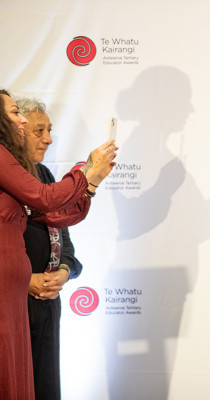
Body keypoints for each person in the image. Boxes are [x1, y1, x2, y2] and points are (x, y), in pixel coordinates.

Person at [0, 89, 116, 400]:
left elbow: (55, 215)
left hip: (22, 292)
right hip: (9, 289)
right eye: (15, 114)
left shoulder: (37, 171)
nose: (22, 122)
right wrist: (86, 167)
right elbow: (46, 198)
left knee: (35, 380)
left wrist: (90, 183)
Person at [16, 97, 86, 400]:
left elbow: (64, 241)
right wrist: (25, 279)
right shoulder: (8, 179)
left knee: (46, 383)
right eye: (39, 131)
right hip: (14, 302)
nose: (48, 139)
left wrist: (64, 271)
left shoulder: (44, 174)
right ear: (17, 131)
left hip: (47, 302)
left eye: (50, 130)